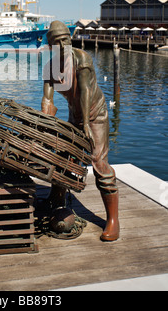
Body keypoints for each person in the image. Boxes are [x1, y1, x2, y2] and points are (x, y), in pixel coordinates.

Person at [41, 20, 119, 241]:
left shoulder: (81, 58)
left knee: (99, 163)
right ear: (50, 47)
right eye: (57, 42)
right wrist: (46, 124)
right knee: (63, 155)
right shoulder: (50, 68)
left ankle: (113, 220)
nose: (62, 44)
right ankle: (55, 197)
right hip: (75, 115)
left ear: (70, 38)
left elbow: (84, 91)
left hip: (94, 114)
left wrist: (85, 123)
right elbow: (47, 99)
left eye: (65, 39)